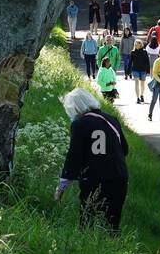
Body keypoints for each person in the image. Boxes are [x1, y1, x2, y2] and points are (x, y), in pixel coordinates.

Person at [55, 88, 128, 230]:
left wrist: (62, 185)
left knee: (87, 222)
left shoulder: (79, 124)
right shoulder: (112, 120)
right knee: (112, 224)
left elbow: (74, 156)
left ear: (74, 108)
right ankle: (113, 249)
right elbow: (124, 149)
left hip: (93, 179)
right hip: (119, 177)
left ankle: (89, 250)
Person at [129, 39, 149, 103]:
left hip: (143, 70)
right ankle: (137, 98)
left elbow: (147, 61)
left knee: (142, 84)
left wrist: (148, 70)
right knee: (136, 82)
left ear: (141, 44)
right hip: (135, 70)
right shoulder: (133, 52)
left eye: (137, 43)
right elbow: (130, 62)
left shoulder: (144, 52)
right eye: (135, 43)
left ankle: (142, 95)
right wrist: (128, 71)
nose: (136, 44)